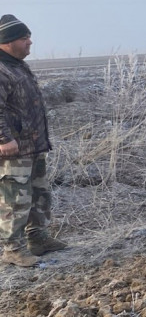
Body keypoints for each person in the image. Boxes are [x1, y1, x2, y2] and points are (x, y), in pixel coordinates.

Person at [0, 14, 66, 267]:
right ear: (7, 41)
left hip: (32, 146)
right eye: (24, 38)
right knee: (14, 199)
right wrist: (4, 138)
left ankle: (38, 239)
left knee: (39, 193)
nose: (30, 42)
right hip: (13, 149)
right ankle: (12, 250)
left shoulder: (17, 65)